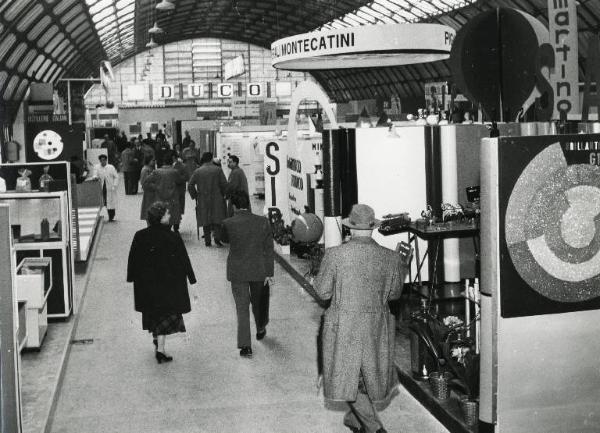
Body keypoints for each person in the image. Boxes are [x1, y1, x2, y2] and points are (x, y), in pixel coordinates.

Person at [313, 204, 410, 433]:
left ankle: (375, 428)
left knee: (346, 378)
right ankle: (354, 421)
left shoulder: (335, 255)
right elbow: (395, 294)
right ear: (372, 228)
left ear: (351, 229)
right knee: (367, 376)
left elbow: (322, 292)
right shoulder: (391, 257)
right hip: (376, 327)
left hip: (344, 327)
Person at [127, 201, 196, 364]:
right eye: (167, 214)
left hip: (147, 286)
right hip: (168, 286)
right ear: (160, 218)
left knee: (154, 314)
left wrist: (131, 277)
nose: (170, 216)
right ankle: (160, 351)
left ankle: (157, 339)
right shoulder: (172, 237)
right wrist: (192, 280)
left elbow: (133, 259)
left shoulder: (140, 235)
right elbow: (184, 260)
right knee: (165, 316)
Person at [222, 191, 274, 358]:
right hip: (259, 270)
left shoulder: (228, 223)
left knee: (242, 309)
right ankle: (260, 328)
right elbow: (268, 249)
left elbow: (224, 240)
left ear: (234, 206)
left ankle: (245, 346)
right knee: (259, 303)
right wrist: (269, 272)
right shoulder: (263, 222)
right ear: (249, 204)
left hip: (237, 272)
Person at [187, 152, 227, 246]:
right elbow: (224, 184)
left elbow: (190, 185)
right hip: (216, 197)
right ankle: (217, 238)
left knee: (205, 218)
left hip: (203, 198)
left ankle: (207, 241)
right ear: (211, 159)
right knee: (217, 217)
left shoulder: (198, 171)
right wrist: (224, 194)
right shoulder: (218, 170)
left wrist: (195, 195)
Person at [142, 155, 186, 232]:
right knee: (171, 215)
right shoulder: (174, 172)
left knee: (161, 214)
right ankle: (169, 231)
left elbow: (146, 182)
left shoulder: (157, 172)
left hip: (159, 197)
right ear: (171, 162)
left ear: (163, 162)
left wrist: (156, 187)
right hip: (172, 198)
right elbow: (181, 180)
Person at [92, 154, 119, 221]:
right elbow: (94, 174)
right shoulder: (97, 167)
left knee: (111, 202)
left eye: (104, 160)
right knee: (104, 202)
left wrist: (114, 185)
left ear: (106, 160)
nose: (103, 162)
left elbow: (116, 177)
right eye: (101, 160)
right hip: (101, 188)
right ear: (100, 161)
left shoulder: (111, 167)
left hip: (110, 187)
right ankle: (103, 216)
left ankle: (111, 216)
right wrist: (95, 177)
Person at [139, 156, 156, 221]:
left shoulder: (151, 168)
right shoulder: (145, 169)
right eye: (153, 160)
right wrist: (155, 186)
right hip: (149, 193)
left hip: (153, 193)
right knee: (148, 210)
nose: (154, 162)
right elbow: (144, 182)